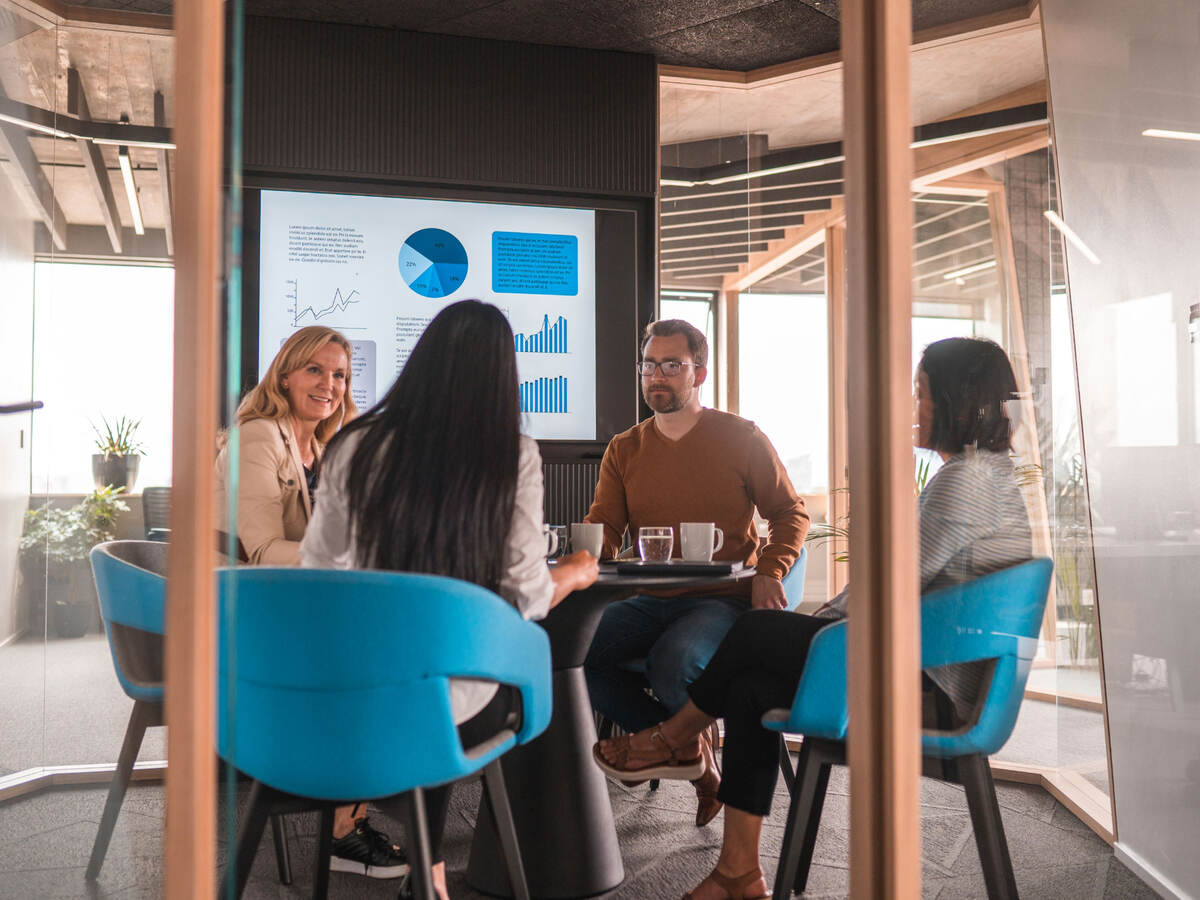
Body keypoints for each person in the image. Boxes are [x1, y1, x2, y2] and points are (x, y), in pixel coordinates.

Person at [592, 336, 1033, 900]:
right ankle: (737, 872)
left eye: (919, 393)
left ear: (954, 400)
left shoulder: (965, 482)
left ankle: (675, 736)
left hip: (930, 688)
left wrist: (817, 618)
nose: (910, 407)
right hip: (928, 670)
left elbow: (888, 588)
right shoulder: (983, 476)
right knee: (749, 685)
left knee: (755, 629)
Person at [300, 299, 599, 900]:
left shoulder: (355, 445)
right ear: (501, 376)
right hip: (452, 708)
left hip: (352, 695)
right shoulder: (511, 454)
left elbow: (318, 571)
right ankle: (432, 867)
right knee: (460, 676)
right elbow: (528, 593)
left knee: (420, 669)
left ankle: (428, 864)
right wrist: (575, 573)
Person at [583, 319, 809, 827]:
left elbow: (791, 513)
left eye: (670, 365)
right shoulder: (625, 448)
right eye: (648, 365)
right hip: (648, 599)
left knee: (674, 661)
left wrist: (771, 570)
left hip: (722, 597)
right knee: (572, 651)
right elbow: (605, 528)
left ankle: (671, 747)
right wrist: (574, 557)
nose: (655, 376)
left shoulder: (741, 437)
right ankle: (692, 756)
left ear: (699, 373)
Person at [214, 327, 407, 880]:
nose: (329, 384)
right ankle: (345, 829)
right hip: (242, 617)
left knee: (384, 645)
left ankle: (356, 802)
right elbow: (263, 550)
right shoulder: (258, 436)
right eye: (316, 370)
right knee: (372, 664)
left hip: (286, 607)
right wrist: (357, 555)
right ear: (285, 375)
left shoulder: (318, 444)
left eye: (340, 375)